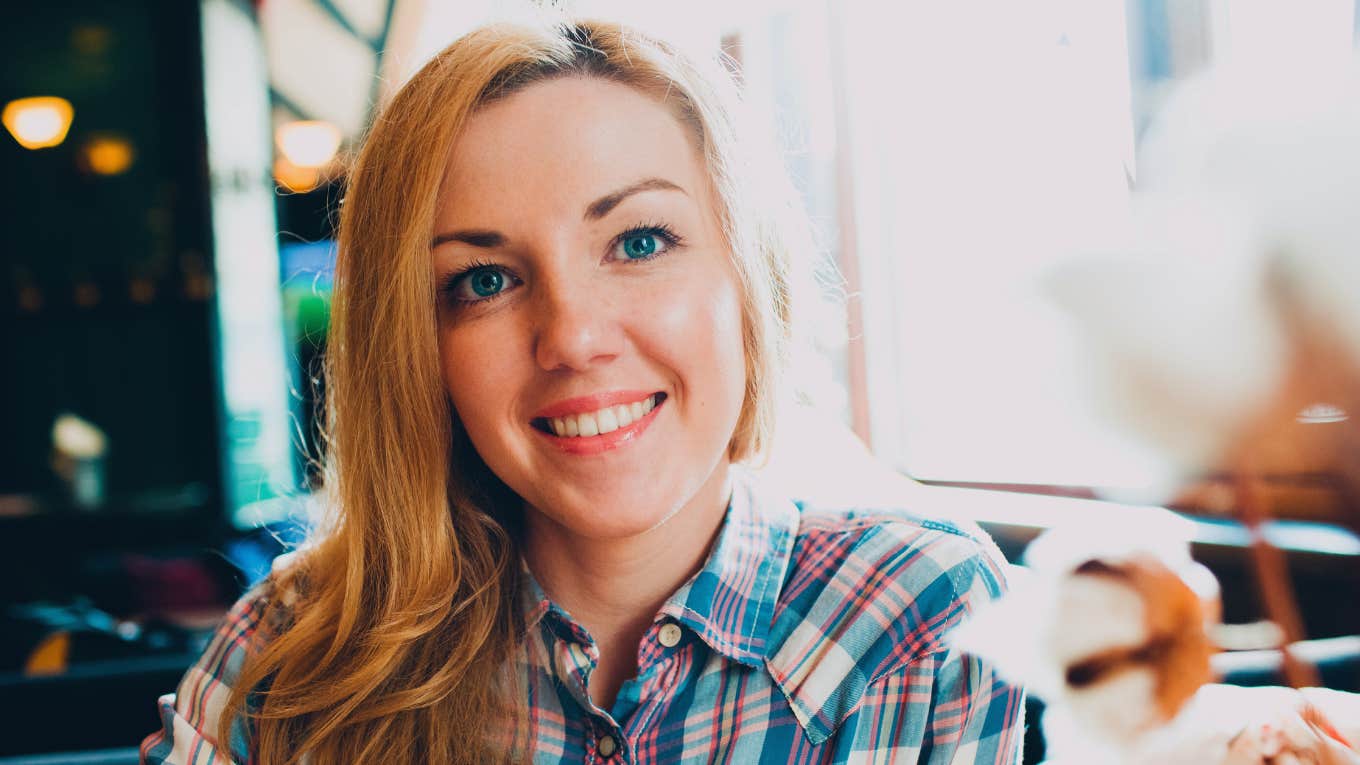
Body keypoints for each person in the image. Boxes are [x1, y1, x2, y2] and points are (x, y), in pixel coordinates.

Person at [140, 17, 1024, 764]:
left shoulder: (912, 611)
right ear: (415, 348)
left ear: (749, 279)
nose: (571, 337)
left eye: (639, 242)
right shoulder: (293, 645)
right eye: (483, 280)